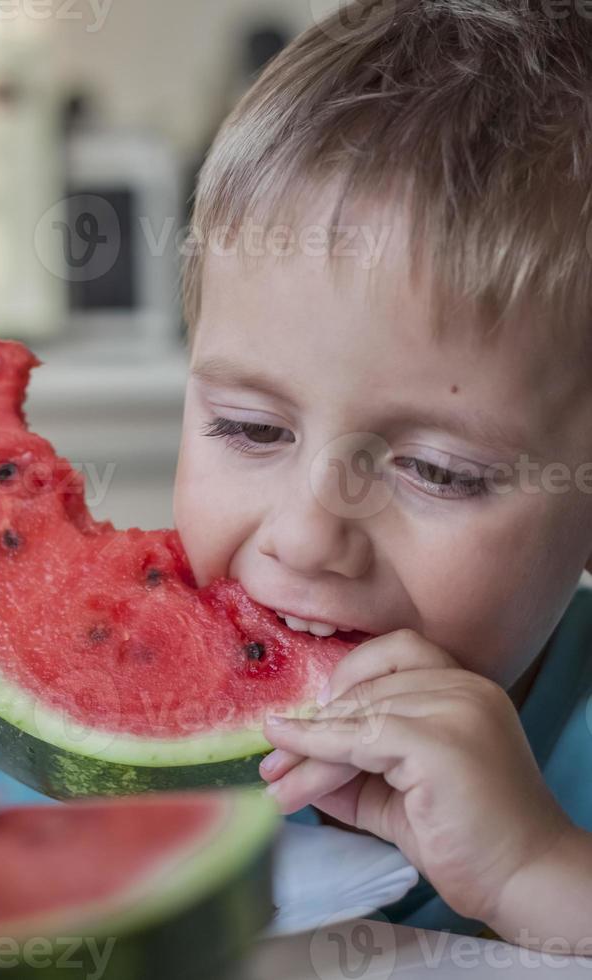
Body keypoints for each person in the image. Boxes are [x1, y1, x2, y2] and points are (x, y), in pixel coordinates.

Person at [173, 0, 592, 952]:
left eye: (438, 471)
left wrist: (538, 866)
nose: (309, 533)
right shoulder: (26, 759)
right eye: (248, 428)